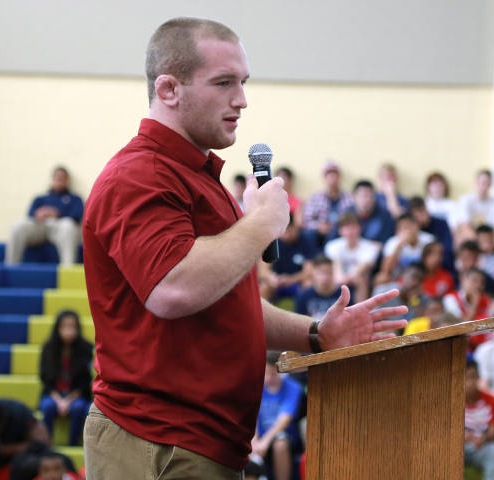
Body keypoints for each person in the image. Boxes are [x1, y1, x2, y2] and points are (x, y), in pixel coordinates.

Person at [81, 17, 408, 479]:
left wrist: (317, 334)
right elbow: (173, 288)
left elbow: (229, 305)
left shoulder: (194, 176)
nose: (242, 99)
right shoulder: (140, 175)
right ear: (169, 89)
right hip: (158, 441)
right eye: (224, 82)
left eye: (244, 82)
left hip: (195, 442)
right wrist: (263, 222)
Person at [5, 166, 84, 265]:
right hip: (40, 227)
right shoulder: (40, 198)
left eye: (62, 177)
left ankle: (67, 270)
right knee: (17, 226)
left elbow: (77, 215)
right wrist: (39, 213)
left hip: (60, 228)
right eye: (56, 177)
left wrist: (57, 213)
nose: (59, 179)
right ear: (52, 179)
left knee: (68, 225)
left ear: (67, 180)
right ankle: (11, 267)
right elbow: (30, 215)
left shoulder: (75, 198)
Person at [38, 310, 93, 446]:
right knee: (48, 406)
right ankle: (46, 445)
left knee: (79, 407)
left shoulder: (86, 348)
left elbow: (85, 382)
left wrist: (67, 401)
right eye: (65, 326)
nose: (69, 330)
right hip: (53, 394)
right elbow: (45, 378)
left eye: (72, 326)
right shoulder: (48, 348)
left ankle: (73, 445)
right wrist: (59, 400)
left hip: (76, 395)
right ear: (58, 328)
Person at [252, 352, 303, 480]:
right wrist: (255, 440)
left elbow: (284, 420)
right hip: (259, 435)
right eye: (266, 374)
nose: (269, 378)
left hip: (284, 436)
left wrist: (264, 442)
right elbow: (252, 415)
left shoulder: (293, 387)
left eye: (273, 374)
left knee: (280, 444)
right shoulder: (256, 386)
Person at [258, 215, 319, 301]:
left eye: (289, 230)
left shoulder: (306, 240)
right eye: (283, 231)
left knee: (308, 284)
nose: (286, 235)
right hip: (277, 283)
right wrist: (272, 277)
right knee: (264, 287)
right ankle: (262, 313)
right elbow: (263, 270)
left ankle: (303, 312)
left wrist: (290, 279)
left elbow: (309, 271)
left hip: (298, 281)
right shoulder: (272, 241)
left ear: (295, 227)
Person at [324, 212, 380, 302]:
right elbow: (336, 268)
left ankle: (360, 311)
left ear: (360, 228)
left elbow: (360, 269)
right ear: (340, 230)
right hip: (338, 279)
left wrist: (345, 279)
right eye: (346, 227)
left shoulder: (370, 247)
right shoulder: (332, 246)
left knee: (361, 278)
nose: (350, 231)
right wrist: (341, 278)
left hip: (358, 280)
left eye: (353, 227)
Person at [464, 358, 494, 480]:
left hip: (482, 446)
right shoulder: (451, 401)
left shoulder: (493, 401)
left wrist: (484, 438)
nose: (469, 382)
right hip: (459, 446)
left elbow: (493, 433)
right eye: (465, 377)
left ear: (479, 377)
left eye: (472, 377)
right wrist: (464, 437)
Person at [375, 213, 435, 285]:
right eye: (402, 228)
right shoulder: (393, 242)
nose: (406, 231)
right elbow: (386, 270)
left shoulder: (429, 240)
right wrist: (399, 245)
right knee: (380, 278)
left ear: (417, 226)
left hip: (422, 277)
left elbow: (433, 266)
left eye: (407, 227)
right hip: (399, 278)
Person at [302, 161, 354, 243]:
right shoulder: (315, 198)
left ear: (339, 177)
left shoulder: (349, 198)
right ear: (324, 177)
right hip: (319, 234)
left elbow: (353, 219)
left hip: (341, 233)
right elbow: (306, 220)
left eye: (334, 174)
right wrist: (319, 226)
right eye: (329, 174)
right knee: (308, 234)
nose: (332, 177)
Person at [408, 196, 455, 274]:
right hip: (419, 266)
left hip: (440, 264)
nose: (420, 216)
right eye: (416, 215)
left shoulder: (441, 224)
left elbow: (447, 248)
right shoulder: (413, 229)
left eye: (422, 211)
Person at [455, 169, 494, 240]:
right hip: (471, 236)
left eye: (487, 183)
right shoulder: (466, 200)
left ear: (490, 184)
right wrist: (479, 240)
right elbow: (464, 226)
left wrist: (487, 240)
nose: (484, 186)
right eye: (482, 182)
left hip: (490, 238)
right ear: (475, 183)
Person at [294, 254, 343, 319]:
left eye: (328, 272)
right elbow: (299, 321)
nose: (325, 277)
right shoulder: (303, 296)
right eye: (321, 273)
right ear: (314, 273)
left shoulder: (342, 295)